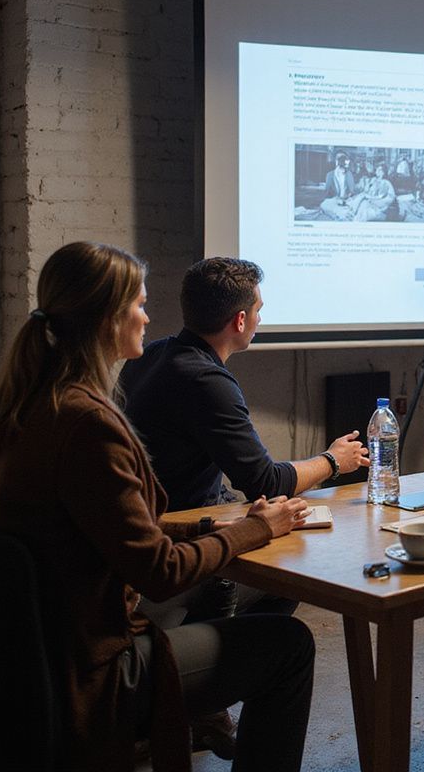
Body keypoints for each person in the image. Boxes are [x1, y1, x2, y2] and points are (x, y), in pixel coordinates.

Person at [0, 242, 315, 772]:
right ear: (109, 319)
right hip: (94, 672)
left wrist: (214, 525)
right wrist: (253, 531)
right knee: (288, 646)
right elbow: (158, 573)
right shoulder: (87, 424)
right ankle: (202, 716)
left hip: (22, 661)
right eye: (140, 304)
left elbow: (101, 529)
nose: (148, 317)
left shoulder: (14, 410)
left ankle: (206, 715)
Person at [121, 257, 368, 613]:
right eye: (258, 310)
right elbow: (265, 481)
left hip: (163, 526)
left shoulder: (153, 353)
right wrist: (333, 461)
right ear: (240, 320)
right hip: (182, 541)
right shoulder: (206, 381)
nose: (260, 319)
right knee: (288, 571)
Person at [320, 150, 356, 219]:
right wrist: (334, 200)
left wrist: (346, 199)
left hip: (347, 202)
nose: (341, 161)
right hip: (334, 202)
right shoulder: (329, 175)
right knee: (324, 205)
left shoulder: (349, 174)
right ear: (336, 161)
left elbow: (352, 191)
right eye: (339, 159)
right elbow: (327, 193)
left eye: (344, 158)